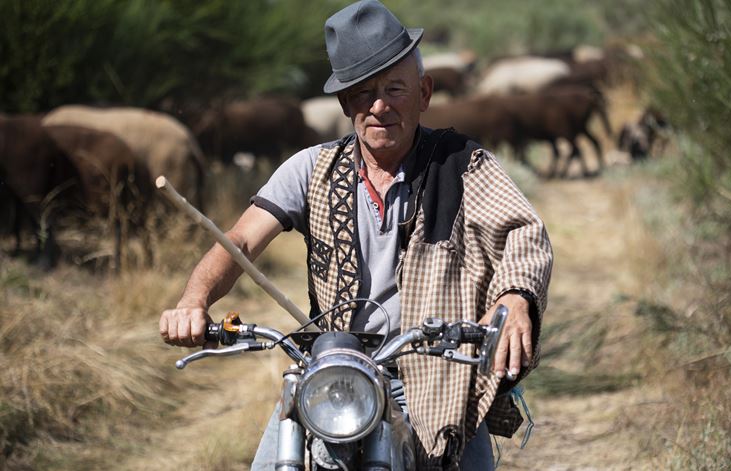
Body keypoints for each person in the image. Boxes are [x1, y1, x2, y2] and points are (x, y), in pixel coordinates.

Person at [159, 1, 553, 468]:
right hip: (334, 372)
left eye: (394, 89)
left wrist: (514, 299)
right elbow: (241, 241)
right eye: (363, 93)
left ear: (424, 93)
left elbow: (524, 235)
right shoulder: (311, 169)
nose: (379, 106)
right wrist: (194, 299)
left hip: (436, 372)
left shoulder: (466, 165)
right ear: (346, 104)